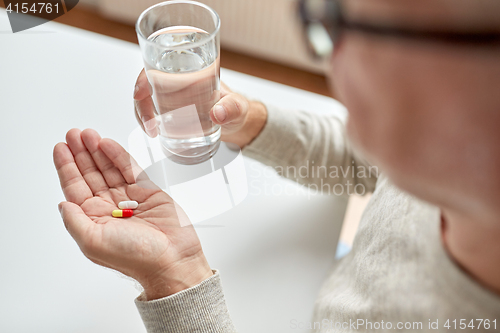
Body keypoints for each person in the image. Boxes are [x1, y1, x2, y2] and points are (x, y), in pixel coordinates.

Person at [53, 0, 500, 331]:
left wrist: (173, 279)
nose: (332, 61)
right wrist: (247, 120)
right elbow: (367, 165)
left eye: (370, 30)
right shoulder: (440, 159)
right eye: (325, 18)